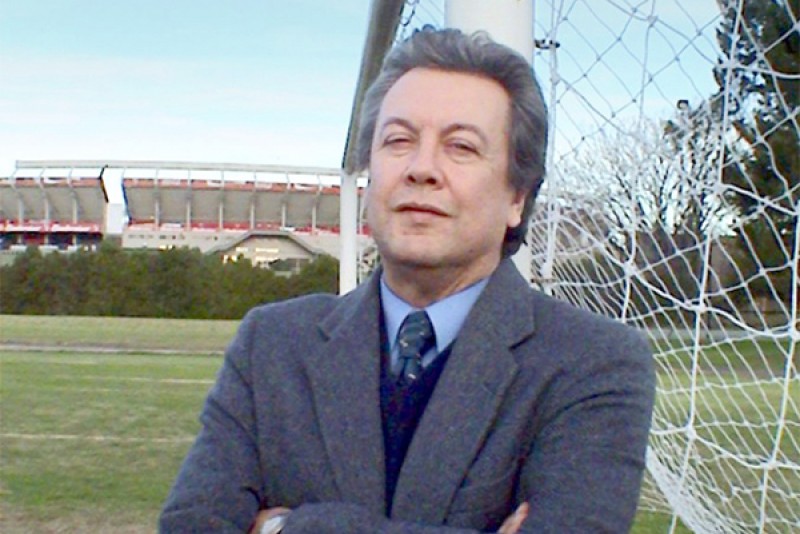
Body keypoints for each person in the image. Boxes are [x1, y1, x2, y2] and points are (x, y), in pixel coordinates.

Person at [160, 27, 655, 534]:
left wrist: (292, 527)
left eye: (461, 147)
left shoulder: (593, 363)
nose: (422, 169)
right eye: (399, 140)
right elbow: (191, 524)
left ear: (517, 198)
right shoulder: (271, 344)